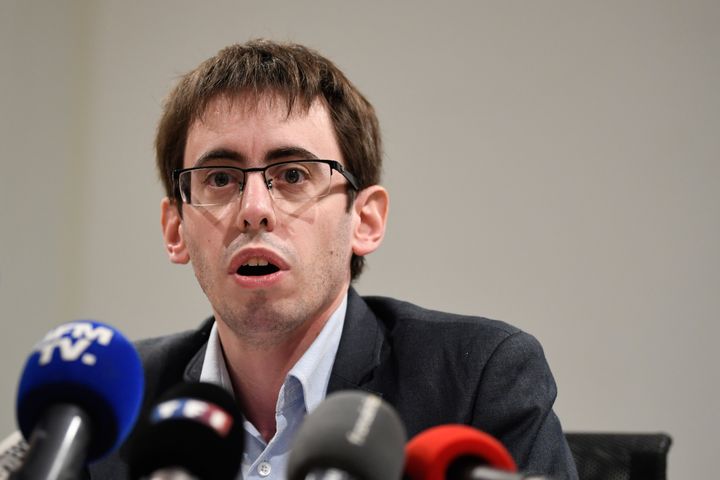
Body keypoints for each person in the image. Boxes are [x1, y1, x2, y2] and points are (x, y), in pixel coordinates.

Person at [89, 39, 578, 479]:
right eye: (219, 179)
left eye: (294, 174)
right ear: (176, 229)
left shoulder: (476, 380)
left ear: (364, 220)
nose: (254, 210)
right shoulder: (112, 400)